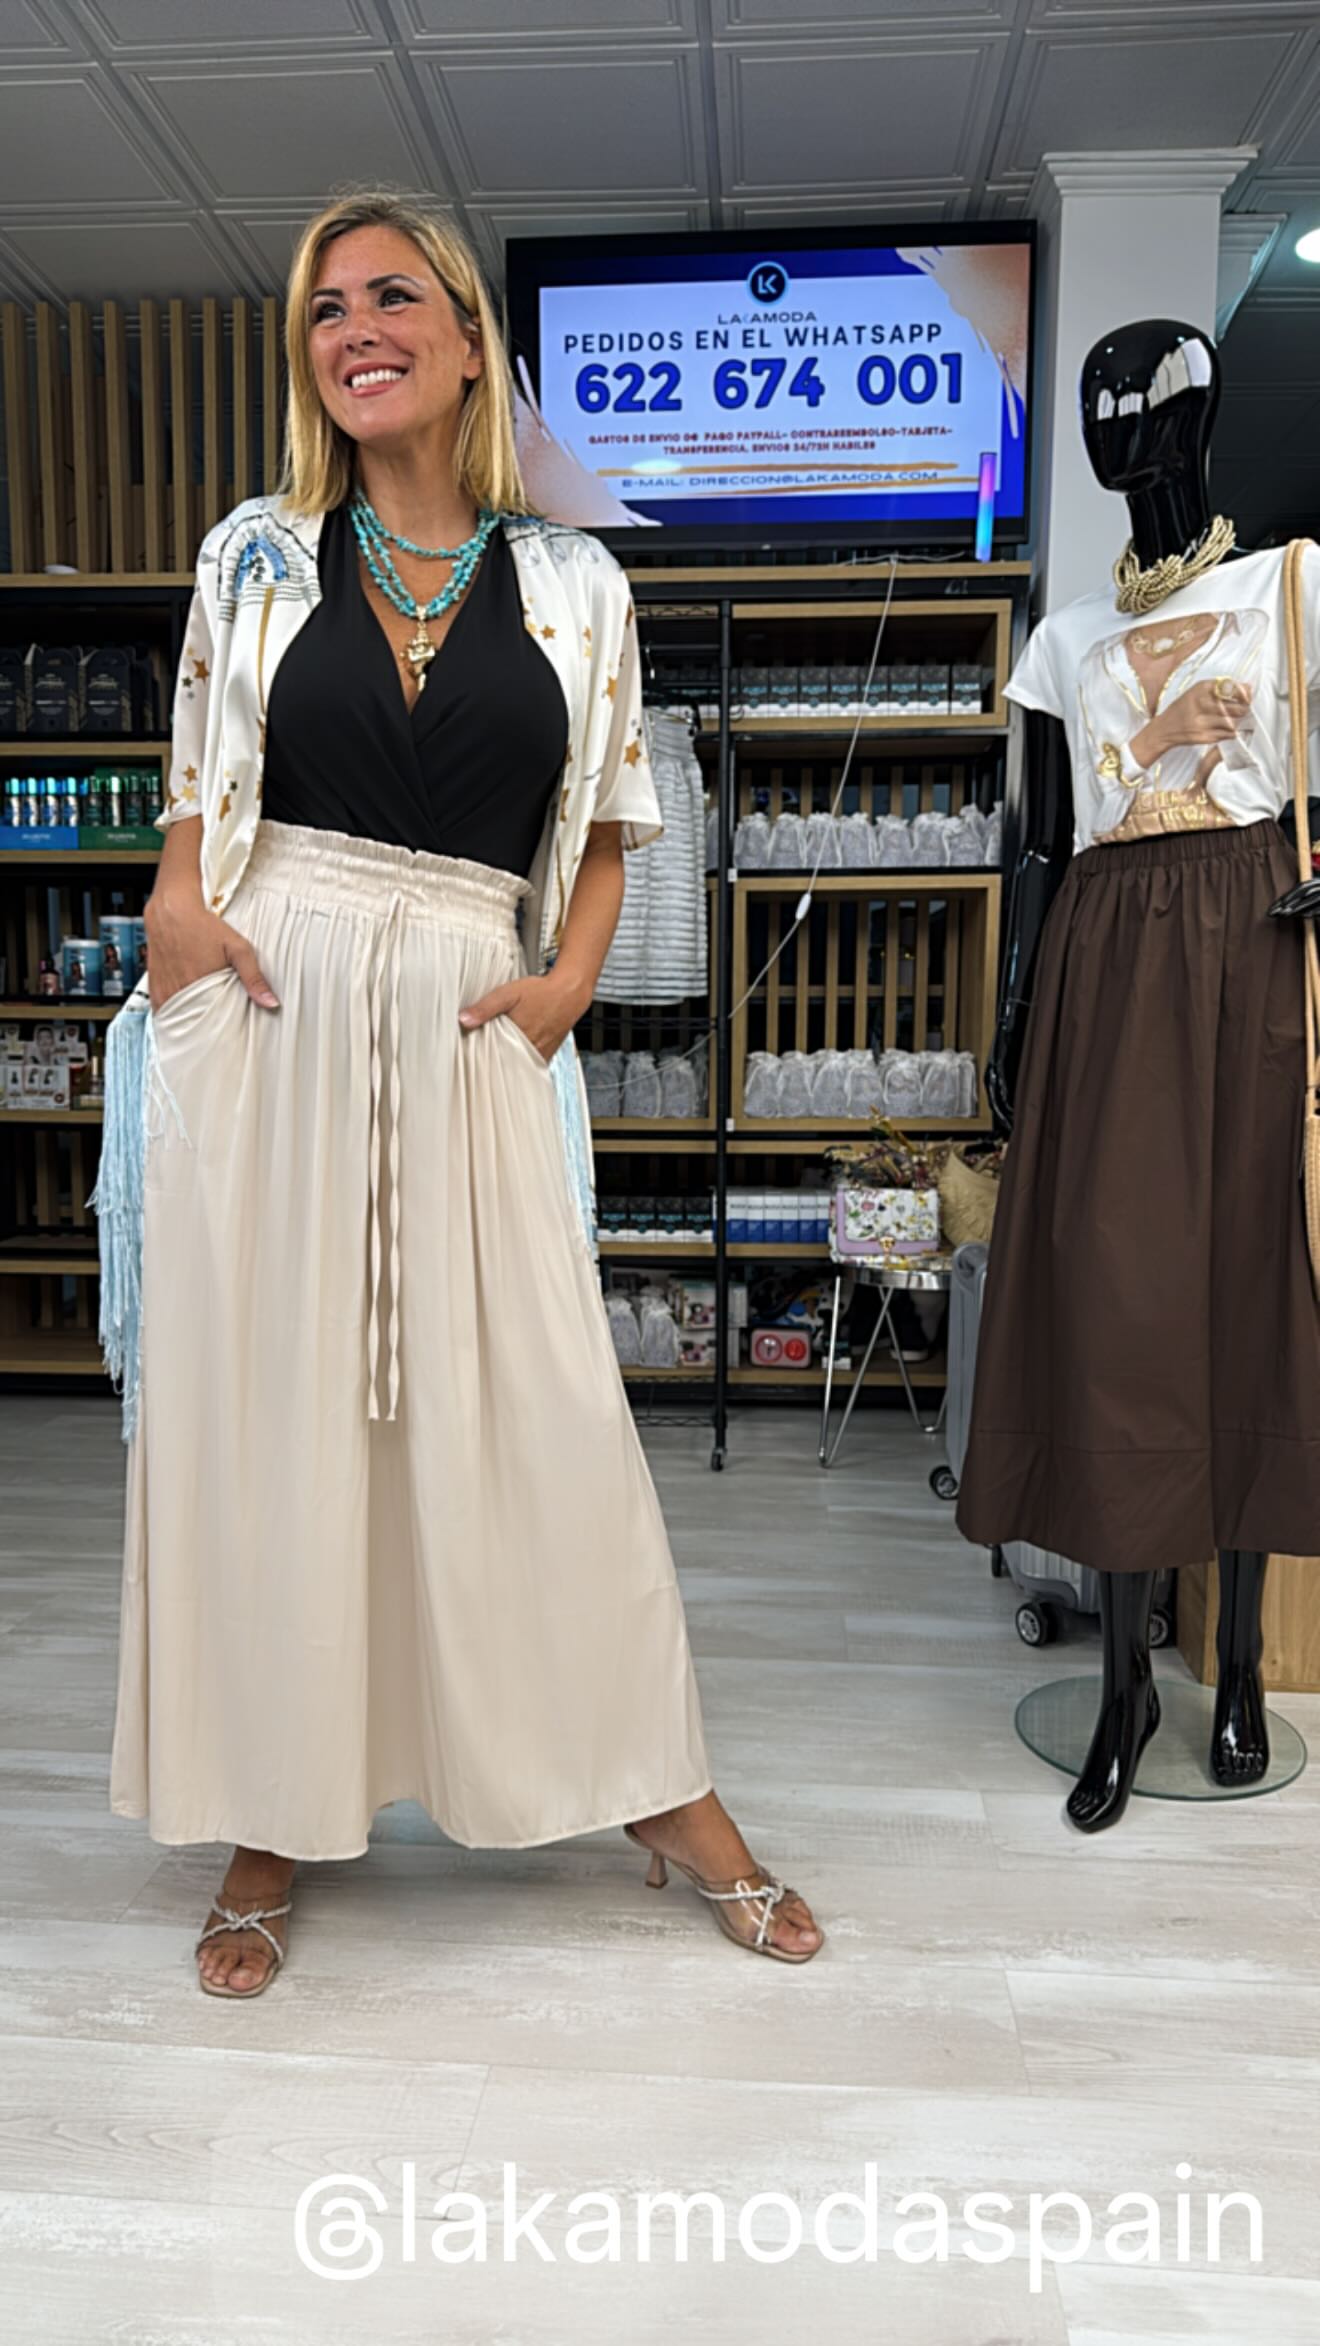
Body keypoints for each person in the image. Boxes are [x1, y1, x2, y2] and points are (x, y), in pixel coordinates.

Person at [106, 191, 823, 1994]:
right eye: (324, 308)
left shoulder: (577, 583)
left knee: (543, 1409)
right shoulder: (252, 555)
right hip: (277, 994)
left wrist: (570, 980)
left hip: (470, 1000)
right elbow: (196, 778)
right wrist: (179, 907)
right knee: (277, 1414)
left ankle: (659, 1789)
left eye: (391, 295)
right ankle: (272, 1807)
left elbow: (616, 820)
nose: (355, 327)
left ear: (468, 340)